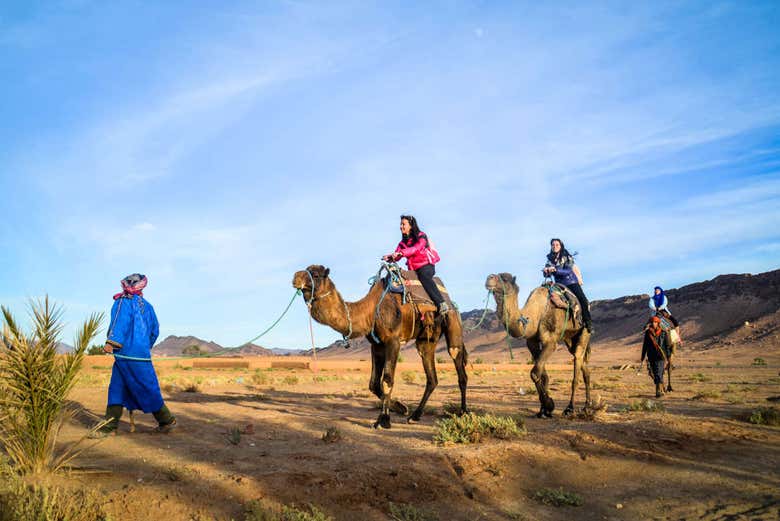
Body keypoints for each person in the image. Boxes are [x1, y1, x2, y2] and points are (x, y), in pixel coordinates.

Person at [92, 274, 176, 437]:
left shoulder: (123, 301)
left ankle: (166, 420)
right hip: (138, 355)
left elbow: (119, 323)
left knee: (146, 387)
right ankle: (110, 427)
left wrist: (111, 342)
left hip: (126, 354)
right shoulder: (148, 306)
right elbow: (155, 330)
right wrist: (145, 346)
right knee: (117, 387)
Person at [383, 215, 450, 316]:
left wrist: (402, 253)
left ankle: (441, 303)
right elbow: (397, 255)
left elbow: (416, 248)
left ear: (410, 225)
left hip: (426, 266)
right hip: (413, 269)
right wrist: (390, 257)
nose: (401, 226)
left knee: (424, 277)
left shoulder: (421, 236)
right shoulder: (402, 243)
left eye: (403, 224)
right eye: (400, 224)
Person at [542, 238, 592, 332]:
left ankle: (588, 322)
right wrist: (546, 271)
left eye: (557, 245)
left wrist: (556, 270)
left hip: (571, 282)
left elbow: (568, 270)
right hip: (558, 284)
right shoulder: (549, 260)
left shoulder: (567, 257)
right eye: (553, 245)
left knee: (583, 300)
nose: (555, 246)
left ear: (561, 246)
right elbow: (547, 273)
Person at [640, 316, 672, 398]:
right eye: (652, 322)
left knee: (658, 372)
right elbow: (645, 346)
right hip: (651, 356)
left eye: (655, 322)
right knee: (653, 373)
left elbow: (667, 346)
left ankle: (658, 391)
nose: (653, 324)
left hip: (661, 356)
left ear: (658, 323)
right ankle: (661, 386)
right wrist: (643, 357)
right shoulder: (648, 333)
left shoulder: (663, 333)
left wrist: (668, 358)